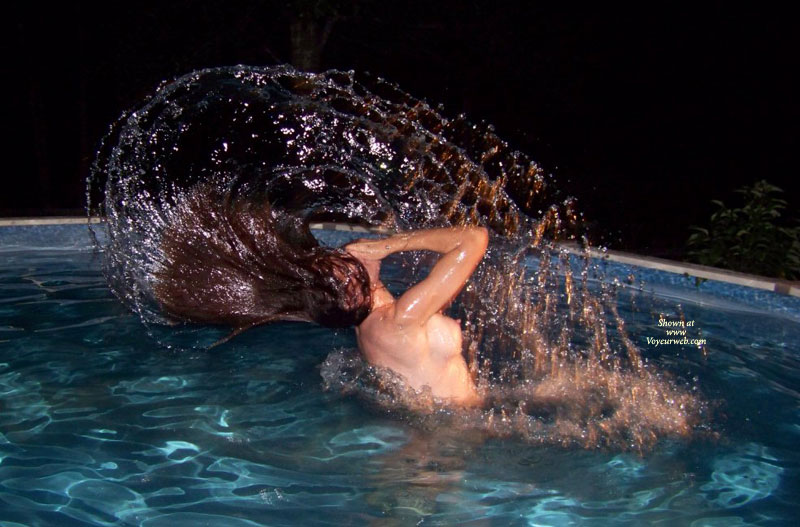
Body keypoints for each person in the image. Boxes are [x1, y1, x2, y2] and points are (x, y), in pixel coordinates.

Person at [152, 184, 487, 406]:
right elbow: (474, 239)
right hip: (454, 430)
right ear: (354, 286)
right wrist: (389, 244)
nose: (346, 250)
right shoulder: (400, 319)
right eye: (343, 260)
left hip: (446, 421)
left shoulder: (371, 321)